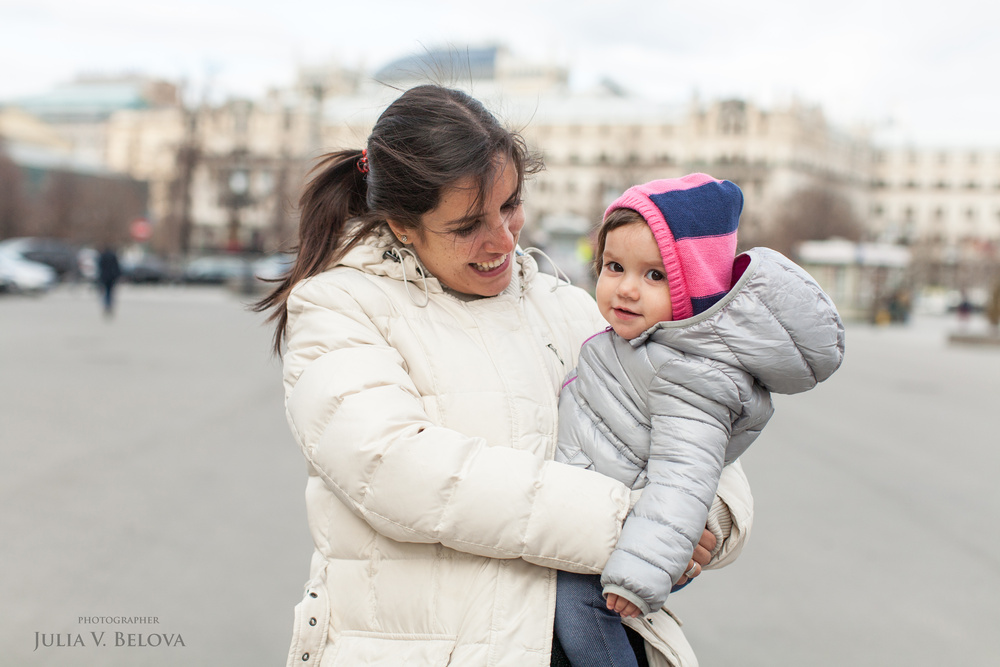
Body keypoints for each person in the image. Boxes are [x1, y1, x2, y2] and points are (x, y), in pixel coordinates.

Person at [256, 86, 755, 667]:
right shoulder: (338, 307)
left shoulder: (568, 307)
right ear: (401, 225)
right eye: (468, 225)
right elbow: (396, 471)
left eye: (511, 204)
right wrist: (629, 522)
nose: (503, 237)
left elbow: (700, 428)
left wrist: (703, 522)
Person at [553, 174, 846, 667]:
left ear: (694, 288)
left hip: (633, 541)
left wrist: (639, 570)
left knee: (581, 616)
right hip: (607, 520)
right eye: (614, 266)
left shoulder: (689, 373)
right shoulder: (642, 344)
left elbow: (683, 478)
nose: (625, 288)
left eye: (654, 276)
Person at [96, 246, 121, 317]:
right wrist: (118, 275)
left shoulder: (102, 256)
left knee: (106, 292)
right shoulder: (113, 256)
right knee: (110, 292)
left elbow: (100, 267)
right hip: (112, 277)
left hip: (105, 276)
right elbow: (117, 267)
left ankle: (107, 305)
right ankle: (109, 305)